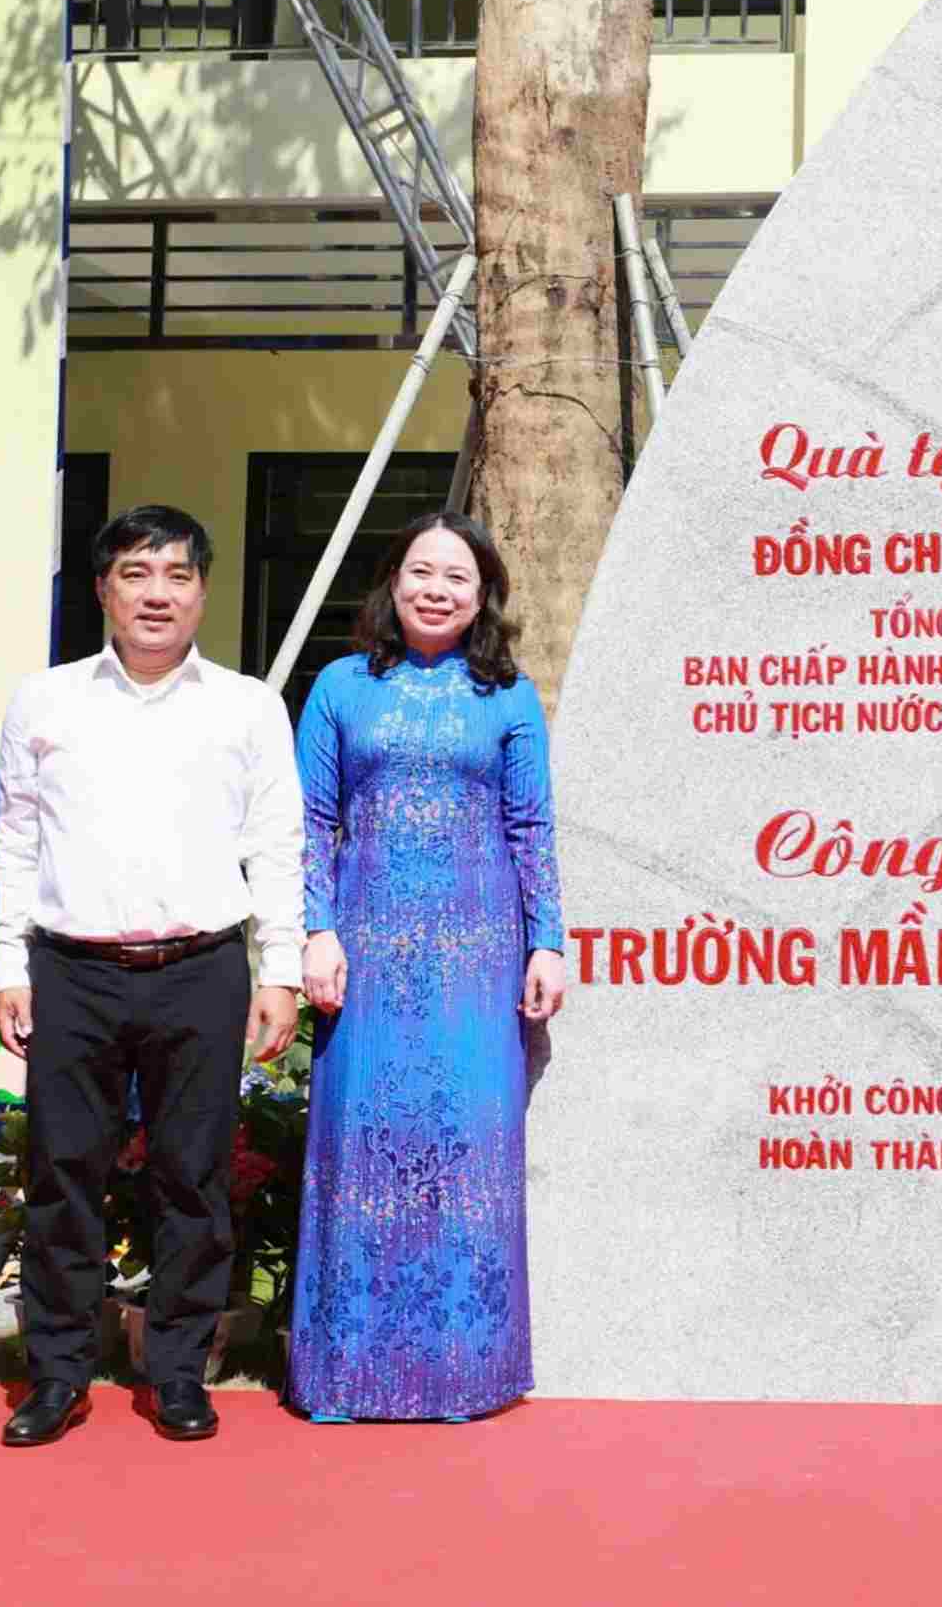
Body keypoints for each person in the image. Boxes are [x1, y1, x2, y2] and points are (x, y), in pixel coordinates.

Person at [0, 505, 302, 1447]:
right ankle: (55, 1374)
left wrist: (278, 969)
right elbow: (14, 839)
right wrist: (11, 963)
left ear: (203, 589)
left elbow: (277, 844)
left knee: (194, 1181)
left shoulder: (247, 705)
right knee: (63, 1178)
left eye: (176, 574)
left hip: (200, 967)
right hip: (72, 970)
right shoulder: (44, 700)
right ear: (102, 589)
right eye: (135, 572)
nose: (156, 593)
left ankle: (178, 1372)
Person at [288, 511, 564, 1421]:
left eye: (457, 576)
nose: (436, 589)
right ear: (392, 582)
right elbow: (307, 823)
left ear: (483, 596)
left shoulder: (509, 695)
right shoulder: (339, 685)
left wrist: (547, 940)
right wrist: (316, 930)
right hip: (365, 960)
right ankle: (351, 1374)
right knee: (365, 1145)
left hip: (476, 962)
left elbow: (532, 829)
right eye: (421, 570)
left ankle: (465, 1370)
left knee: (467, 1149)